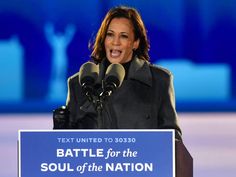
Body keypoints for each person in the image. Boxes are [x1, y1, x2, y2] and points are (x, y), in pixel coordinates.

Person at [63, 6, 182, 140]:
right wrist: (60, 128)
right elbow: (67, 145)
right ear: (103, 39)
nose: (115, 42)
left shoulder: (159, 81)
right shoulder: (79, 84)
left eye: (124, 36)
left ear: (135, 43)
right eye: (110, 34)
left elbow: (173, 139)